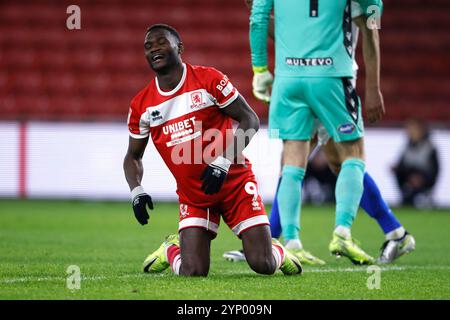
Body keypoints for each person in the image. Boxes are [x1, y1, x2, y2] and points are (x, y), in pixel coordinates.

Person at [224, 0, 415, 265]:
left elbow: (371, 27)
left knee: (312, 159)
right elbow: (291, 31)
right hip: (320, 77)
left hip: (323, 77)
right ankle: (394, 232)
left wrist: (373, 87)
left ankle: (279, 240)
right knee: (331, 160)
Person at [123, 24, 302, 277]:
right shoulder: (142, 105)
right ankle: (170, 250)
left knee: (263, 264)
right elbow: (133, 157)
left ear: (179, 48)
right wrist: (136, 190)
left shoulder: (209, 80)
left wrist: (222, 162)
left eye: (161, 42)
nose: (154, 49)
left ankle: (277, 252)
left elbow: (250, 120)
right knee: (193, 271)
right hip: (194, 196)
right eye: (148, 46)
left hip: (235, 184)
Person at [393, 119, 439, 207]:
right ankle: (406, 195)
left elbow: (434, 170)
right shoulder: (407, 146)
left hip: (424, 179)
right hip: (409, 178)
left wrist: (421, 178)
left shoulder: (430, 147)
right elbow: (402, 164)